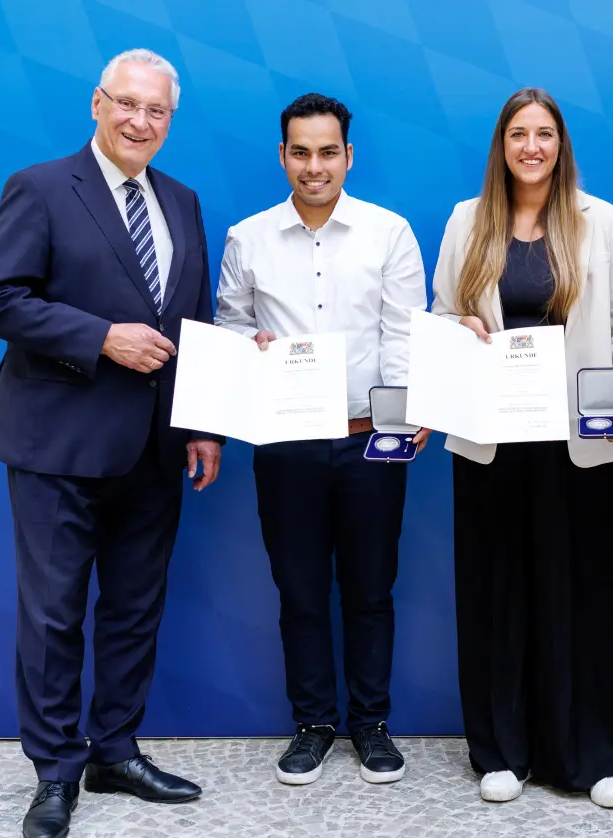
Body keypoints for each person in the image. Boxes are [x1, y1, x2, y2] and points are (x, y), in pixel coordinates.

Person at [0, 49, 223, 838]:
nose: (140, 121)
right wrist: (100, 337)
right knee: (51, 616)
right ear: (97, 103)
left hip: (153, 448)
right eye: (127, 104)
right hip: (58, 445)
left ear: (169, 121)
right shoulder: (40, 188)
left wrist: (202, 420)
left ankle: (115, 750)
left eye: (157, 112)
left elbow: (194, 319)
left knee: (133, 610)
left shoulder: (181, 200)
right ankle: (54, 772)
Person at [431, 87, 613, 809]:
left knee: (579, 592)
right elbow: (439, 317)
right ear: (502, 145)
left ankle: (590, 755)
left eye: (544, 134)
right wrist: (459, 329)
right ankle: (501, 752)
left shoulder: (599, 221)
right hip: (491, 442)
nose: (531, 147)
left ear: (561, 144)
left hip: (574, 443)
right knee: (497, 593)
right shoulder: (467, 221)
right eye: (518, 134)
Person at [215, 93, 427, 787]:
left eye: (327, 152)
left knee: (371, 589)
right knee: (300, 588)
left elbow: (404, 333)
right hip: (286, 442)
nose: (314, 166)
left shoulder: (388, 232)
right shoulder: (247, 237)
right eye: (300, 152)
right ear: (283, 156)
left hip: (371, 438)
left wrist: (404, 420)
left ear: (348, 155)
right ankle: (312, 724)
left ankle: (370, 723)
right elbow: (228, 327)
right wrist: (253, 343)